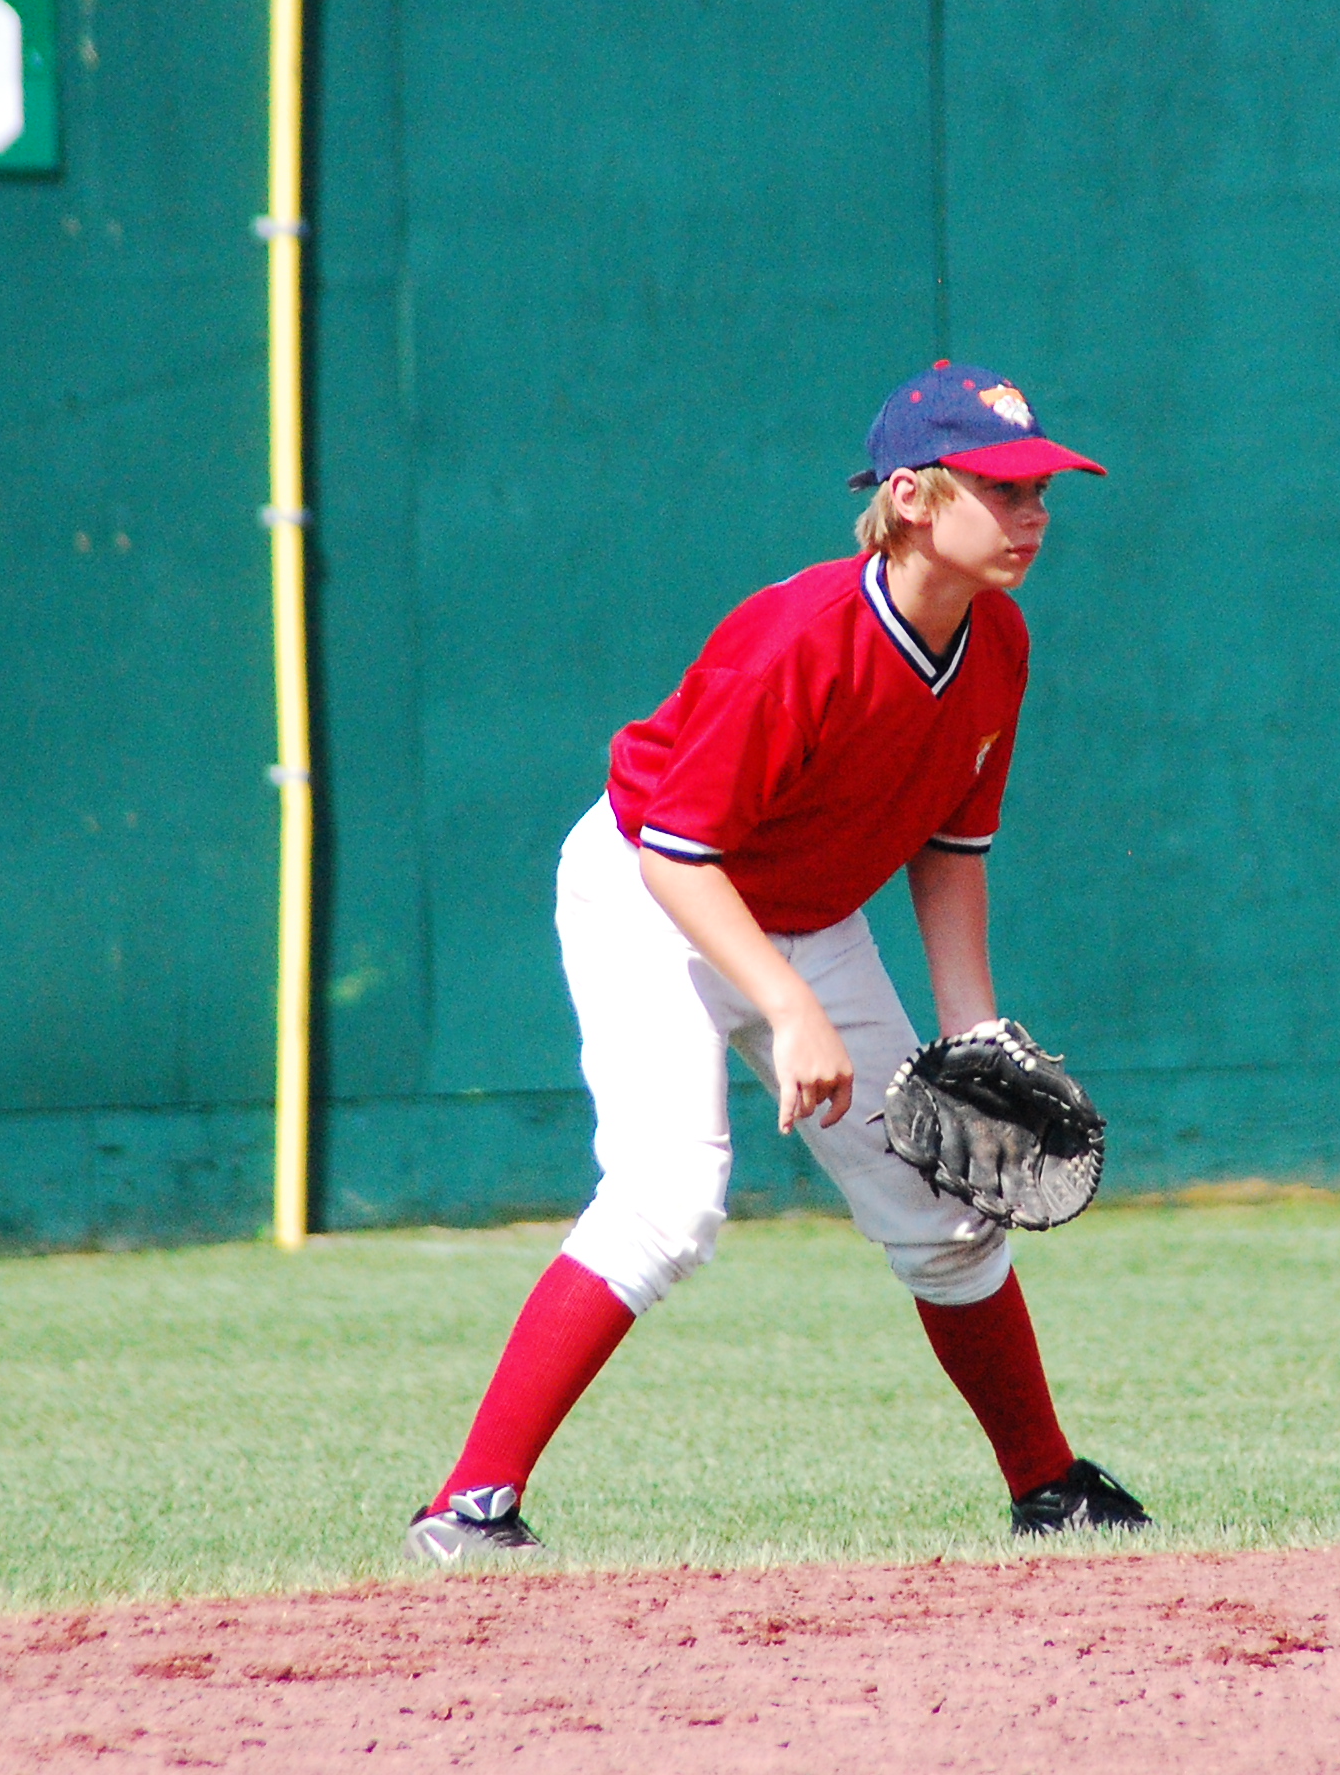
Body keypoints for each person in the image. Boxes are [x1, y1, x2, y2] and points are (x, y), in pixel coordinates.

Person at [404, 361, 1152, 1564]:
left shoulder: (996, 642)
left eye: (1040, 490)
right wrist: (787, 1004)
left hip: (803, 908)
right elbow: (677, 854)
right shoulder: (801, 638)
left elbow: (950, 849)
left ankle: (1047, 1487)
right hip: (651, 892)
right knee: (667, 1197)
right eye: (1002, 488)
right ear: (910, 496)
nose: (1031, 513)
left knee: (943, 1205)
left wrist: (971, 1027)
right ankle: (467, 1506)